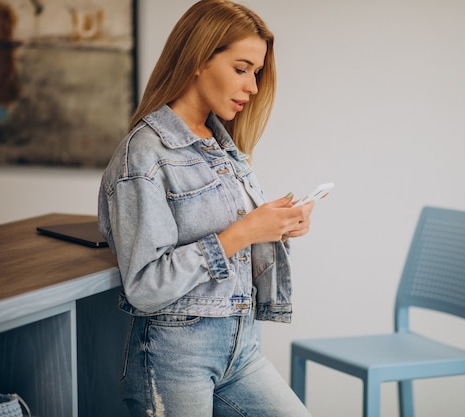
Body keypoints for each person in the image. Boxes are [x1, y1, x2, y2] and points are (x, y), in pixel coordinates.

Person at [97, 1, 315, 416]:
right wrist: (246, 230)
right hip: (175, 358)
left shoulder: (220, 144)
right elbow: (145, 285)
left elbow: (233, 241)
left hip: (241, 348)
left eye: (256, 72)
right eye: (241, 68)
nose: (252, 86)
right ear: (198, 59)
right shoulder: (142, 156)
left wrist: (276, 227)